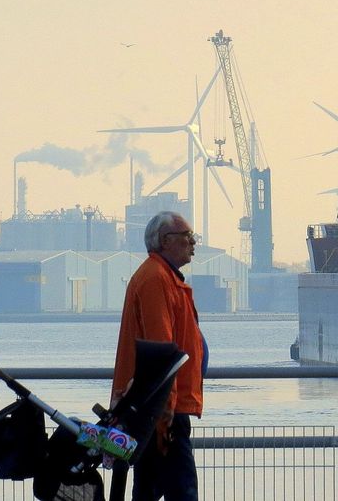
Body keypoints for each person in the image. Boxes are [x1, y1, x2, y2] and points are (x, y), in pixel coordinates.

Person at [112, 211, 207, 501]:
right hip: (162, 411)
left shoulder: (165, 277)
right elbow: (160, 348)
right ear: (166, 241)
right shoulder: (156, 280)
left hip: (158, 407)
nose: (193, 243)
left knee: (149, 488)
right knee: (182, 490)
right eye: (188, 237)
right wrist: (166, 408)